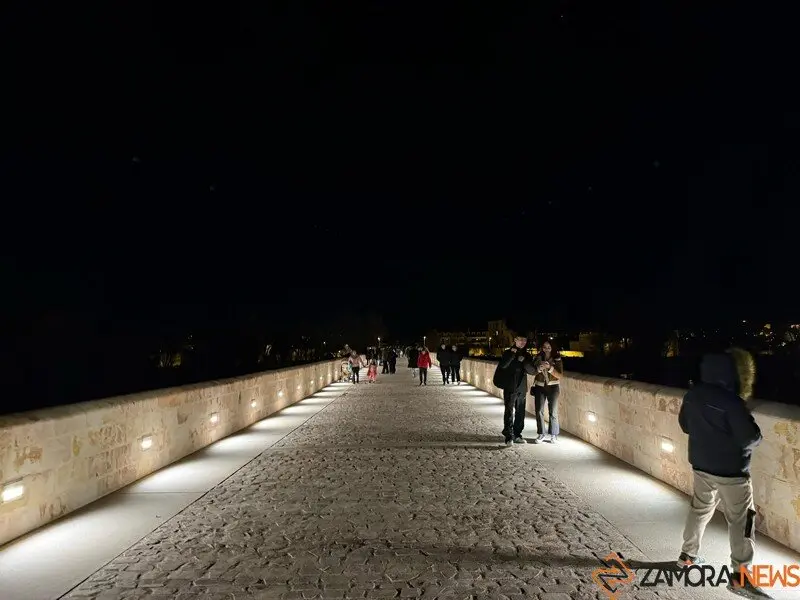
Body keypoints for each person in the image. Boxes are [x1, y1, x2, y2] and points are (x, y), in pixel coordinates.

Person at [676, 349, 770, 599]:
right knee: (742, 521)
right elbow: (750, 437)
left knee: (699, 510)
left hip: (701, 466)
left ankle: (687, 556)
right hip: (732, 472)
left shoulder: (692, 394)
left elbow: (685, 425)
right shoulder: (732, 402)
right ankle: (740, 577)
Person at [493, 335, 536, 445]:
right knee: (509, 411)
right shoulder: (508, 352)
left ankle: (517, 434)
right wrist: (512, 355)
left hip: (521, 387)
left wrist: (525, 362)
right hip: (510, 386)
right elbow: (503, 365)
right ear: (515, 340)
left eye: (525, 340)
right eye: (520, 339)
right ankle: (508, 436)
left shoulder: (527, 355)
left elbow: (532, 371)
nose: (522, 342)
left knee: (520, 412)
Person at [532, 340, 564, 443]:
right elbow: (533, 372)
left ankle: (554, 435)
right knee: (539, 411)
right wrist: (539, 368)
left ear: (552, 347)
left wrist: (550, 368)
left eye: (548, 347)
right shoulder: (537, 357)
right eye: (544, 347)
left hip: (553, 387)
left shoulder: (557, 359)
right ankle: (541, 434)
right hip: (539, 386)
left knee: (553, 411)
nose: (546, 349)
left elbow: (560, 375)